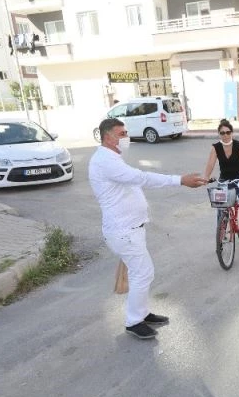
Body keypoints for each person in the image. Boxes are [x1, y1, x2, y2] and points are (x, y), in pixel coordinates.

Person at [88, 118, 206, 340]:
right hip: (124, 231)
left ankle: (141, 313)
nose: (126, 137)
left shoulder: (112, 158)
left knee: (140, 273)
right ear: (108, 137)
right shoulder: (105, 161)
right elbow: (140, 178)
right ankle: (133, 321)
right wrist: (179, 180)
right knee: (143, 273)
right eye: (121, 133)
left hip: (131, 229)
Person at [202, 119, 239, 251]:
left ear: (232, 133)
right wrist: (206, 177)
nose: (225, 135)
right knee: (221, 208)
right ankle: (221, 234)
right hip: (225, 180)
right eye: (222, 133)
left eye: (228, 132)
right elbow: (210, 164)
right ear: (219, 134)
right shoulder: (216, 147)